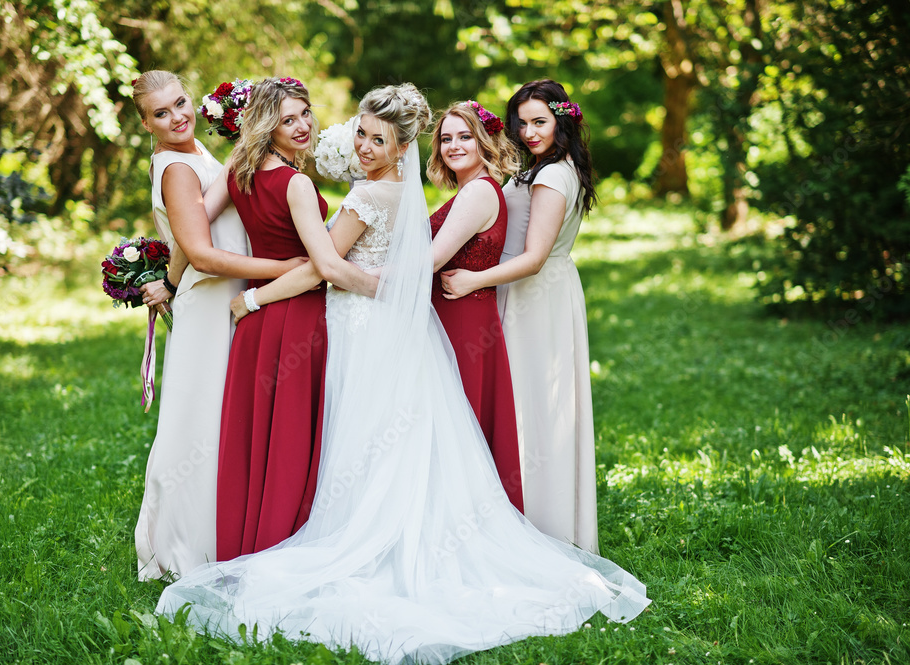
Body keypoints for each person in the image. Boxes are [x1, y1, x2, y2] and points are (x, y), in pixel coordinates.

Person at [156, 83, 649, 664]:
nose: (364, 147)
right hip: (389, 332)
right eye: (360, 134)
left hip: (364, 333)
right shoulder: (395, 191)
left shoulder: (368, 200)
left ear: (400, 147)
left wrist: (255, 301)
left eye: (378, 139)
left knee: (361, 438)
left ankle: (367, 542)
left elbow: (323, 269)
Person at [130, 70, 305, 580]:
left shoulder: (196, 156)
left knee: (223, 416)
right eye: (161, 113)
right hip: (213, 302)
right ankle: (192, 543)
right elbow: (205, 253)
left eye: (181, 103)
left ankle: (230, 529)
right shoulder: (176, 169)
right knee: (203, 420)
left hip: (228, 296)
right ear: (147, 124)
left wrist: (165, 278)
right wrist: (286, 269)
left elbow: (188, 239)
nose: (177, 116)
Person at [211, 76, 378, 561]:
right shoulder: (295, 182)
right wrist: (384, 286)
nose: (303, 125)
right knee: (289, 440)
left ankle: (248, 541)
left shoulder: (241, 167)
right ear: (268, 125)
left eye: (305, 113)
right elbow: (321, 265)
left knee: (257, 436)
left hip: (256, 322)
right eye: (287, 120)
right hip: (294, 315)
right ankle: (285, 545)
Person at [440, 79, 600, 553]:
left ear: (561, 121)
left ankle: (541, 528)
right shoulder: (541, 168)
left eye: (539, 122)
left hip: (536, 295)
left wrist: (472, 280)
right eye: (522, 123)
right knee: (522, 406)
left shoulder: (553, 176)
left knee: (533, 407)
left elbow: (533, 257)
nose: (529, 132)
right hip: (522, 289)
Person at [425, 100, 524, 512]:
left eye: (464, 137)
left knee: (456, 419)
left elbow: (429, 260)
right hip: (460, 314)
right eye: (446, 139)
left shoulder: (480, 192)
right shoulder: (475, 190)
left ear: (484, 141)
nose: (454, 146)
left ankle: (461, 517)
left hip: (460, 319)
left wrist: (357, 277)